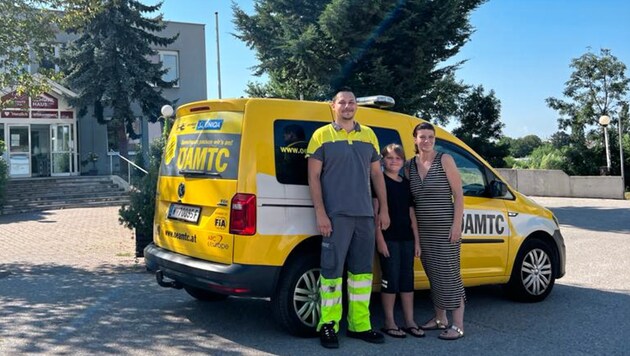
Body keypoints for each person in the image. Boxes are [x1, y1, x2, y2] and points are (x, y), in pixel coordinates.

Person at [306, 87, 390, 349]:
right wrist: (320, 212)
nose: (347, 106)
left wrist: (384, 209)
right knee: (331, 273)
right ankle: (328, 325)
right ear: (333, 106)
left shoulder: (369, 135)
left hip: (365, 215)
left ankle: (360, 325)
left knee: (362, 274)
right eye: (342, 102)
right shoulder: (321, 136)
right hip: (336, 215)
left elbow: (377, 175)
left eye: (351, 102)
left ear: (356, 106)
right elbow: (313, 178)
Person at [408, 122, 466, 340]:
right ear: (415, 139)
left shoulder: (445, 160)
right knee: (433, 274)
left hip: (445, 228)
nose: (427, 141)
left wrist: (456, 225)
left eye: (430, 137)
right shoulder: (409, 165)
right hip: (423, 230)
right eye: (422, 137)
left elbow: (458, 195)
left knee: (450, 275)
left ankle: (458, 325)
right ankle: (440, 318)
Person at [373, 144, 423, 339]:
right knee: (390, 279)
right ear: (382, 160)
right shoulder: (379, 181)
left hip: (407, 239)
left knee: (407, 280)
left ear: (403, 161)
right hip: (389, 239)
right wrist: (380, 240)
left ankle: (409, 321)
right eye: (389, 158)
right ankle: (389, 321)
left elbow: (412, 215)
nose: (394, 161)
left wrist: (417, 241)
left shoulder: (405, 183)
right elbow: (375, 213)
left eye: (398, 158)